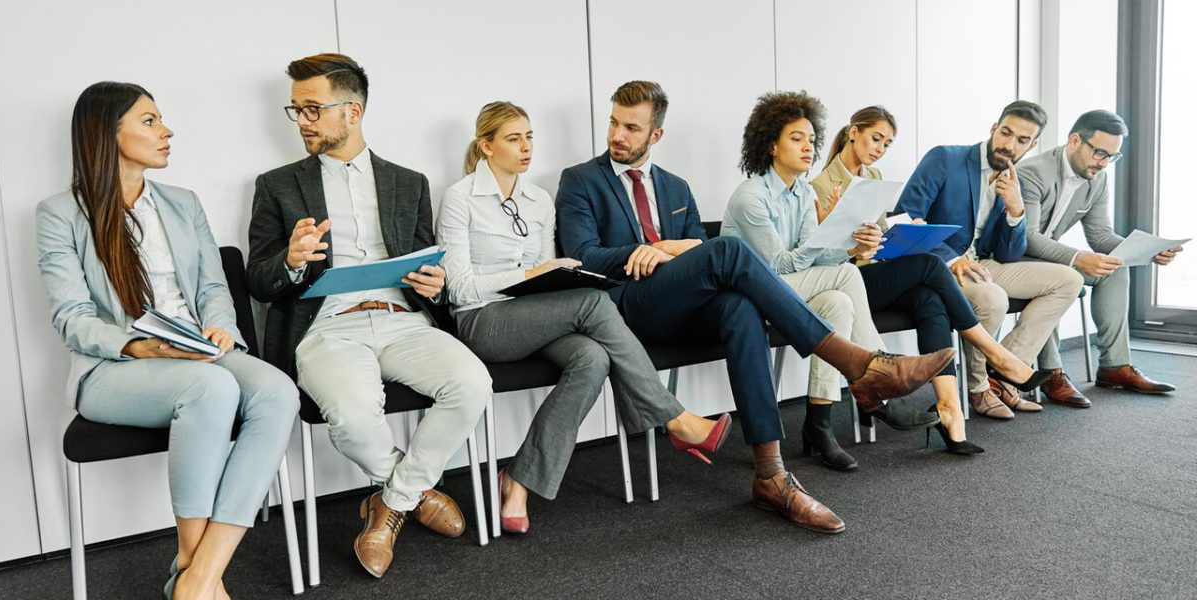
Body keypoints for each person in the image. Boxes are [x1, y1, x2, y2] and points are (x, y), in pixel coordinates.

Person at [556, 80, 954, 533]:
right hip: (625, 306)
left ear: (656, 135)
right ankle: (860, 364)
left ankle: (771, 474)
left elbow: (698, 250)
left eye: (631, 127)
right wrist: (643, 251)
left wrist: (671, 248)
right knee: (730, 251)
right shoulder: (581, 180)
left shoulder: (675, 187)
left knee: (740, 308)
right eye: (613, 123)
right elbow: (580, 256)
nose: (617, 135)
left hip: (682, 304)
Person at [37, 81, 300, 600]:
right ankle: (194, 567)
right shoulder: (60, 214)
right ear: (106, 133)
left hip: (197, 352)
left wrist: (220, 324)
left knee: (277, 392)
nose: (167, 131)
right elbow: (72, 318)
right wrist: (143, 346)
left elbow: (211, 287)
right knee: (210, 390)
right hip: (114, 367)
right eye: (150, 121)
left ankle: (198, 575)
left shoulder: (182, 203)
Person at [245, 54, 489, 578]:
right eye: (297, 110)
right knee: (354, 418)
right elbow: (257, 280)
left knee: (472, 383)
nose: (303, 120)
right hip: (327, 326)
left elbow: (426, 265)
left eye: (313, 109)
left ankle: (388, 505)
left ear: (352, 111)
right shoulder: (277, 185)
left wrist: (433, 282)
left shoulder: (408, 182)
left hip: (403, 319)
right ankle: (417, 494)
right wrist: (288, 263)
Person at [437, 101, 730, 533]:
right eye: (514, 138)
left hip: (530, 315)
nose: (526, 147)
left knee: (592, 358)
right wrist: (528, 274)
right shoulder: (460, 198)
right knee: (595, 303)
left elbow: (540, 278)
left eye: (530, 137)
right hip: (481, 321)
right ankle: (675, 418)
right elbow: (457, 288)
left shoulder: (538, 200)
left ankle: (518, 479)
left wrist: (551, 275)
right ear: (486, 145)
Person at [808, 104, 1052, 453]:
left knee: (930, 299)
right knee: (931, 265)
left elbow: (876, 238)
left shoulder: (873, 178)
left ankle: (950, 411)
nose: (879, 149)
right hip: (844, 282)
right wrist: (861, 248)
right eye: (875, 138)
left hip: (872, 272)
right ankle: (996, 354)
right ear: (852, 133)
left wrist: (898, 234)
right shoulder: (819, 186)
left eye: (887, 144)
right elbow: (823, 254)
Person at [723, 93, 942, 471]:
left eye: (811, 139)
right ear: (771, 144)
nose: (808, 147)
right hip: (750, 295)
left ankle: (819, 424)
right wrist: (829, 246)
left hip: (790, 289)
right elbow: (778, 266)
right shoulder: (750, 197)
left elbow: (819, 257)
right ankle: (880, 378)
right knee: (845, 275)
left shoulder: (804, 192)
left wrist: (848, 243)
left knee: (838, 302)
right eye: (796, 139)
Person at [896, 101, 1085, 418]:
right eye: (1006, 133)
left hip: (983, 264)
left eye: (1022, 141)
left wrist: (1015, 211)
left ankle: (1004, 373)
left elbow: (1007, 254)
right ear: (994, 128)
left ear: (1032, 144)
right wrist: (950, 258)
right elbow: (904, 218)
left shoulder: (1015, 179)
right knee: (993, 297)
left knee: (1070, 280)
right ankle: (978, 387)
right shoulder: (946, 158)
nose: (1010, 145)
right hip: (938, 266)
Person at [1019, 110, 1180, 395]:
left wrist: (1150, 250)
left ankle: (1114, 365)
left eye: (1111, 157)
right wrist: (1077, 258)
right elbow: (1027, 238)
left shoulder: (1098, 179)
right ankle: (1050, 372)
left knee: (1115, 269)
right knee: (1060, 276)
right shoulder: (1033, 173)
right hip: (1011, 258)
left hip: (1049, 257)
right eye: (1099, 153)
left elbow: (1100, 236)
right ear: (1074, 140)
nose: (1104, 163)